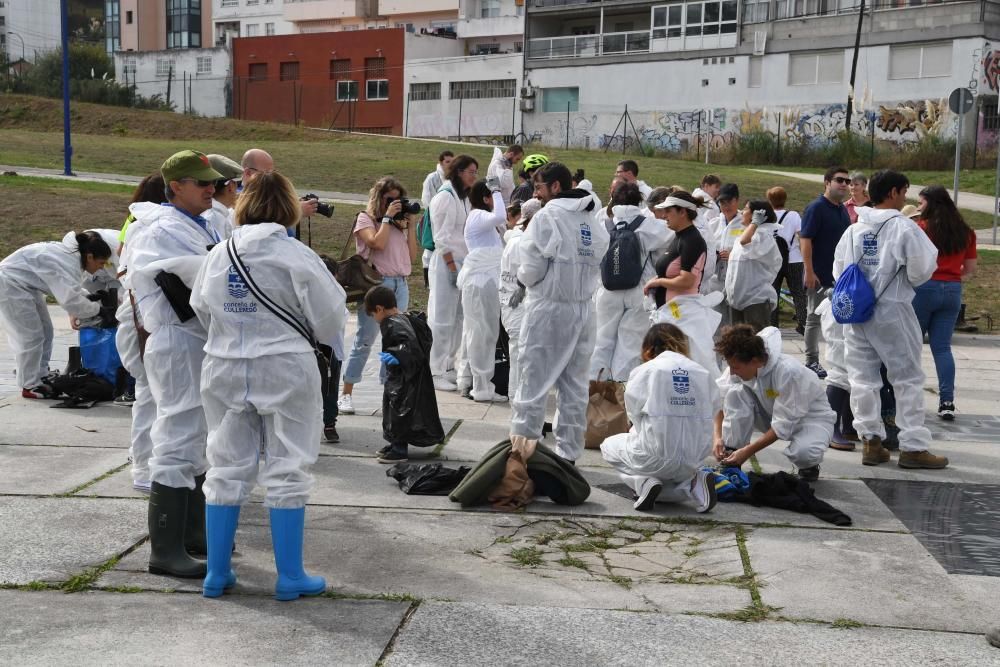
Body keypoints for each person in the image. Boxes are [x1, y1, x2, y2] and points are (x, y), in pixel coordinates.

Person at [191, 170, 346, 601]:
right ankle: (290, 576)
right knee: (288, 465)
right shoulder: (295, 255)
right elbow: (331, 315)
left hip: (223, 365)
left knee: (224, 465)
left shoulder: (219, 253)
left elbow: (200, 307)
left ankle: (217, 573)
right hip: (284, 365)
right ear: (290, 207)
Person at [126, 150, 225, 578]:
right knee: (177, 434)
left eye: (212, 182)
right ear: (176, 187)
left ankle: (191, 533)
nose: (211, 188)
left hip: (196, 341)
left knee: (197, 436)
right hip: (177, 340)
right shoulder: (162, 230)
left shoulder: (198, 223)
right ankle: (165, 548)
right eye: (200, 182)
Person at [833, 169, 947, 469]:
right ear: (894, 192)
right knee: (907, 377)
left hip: (857, 312)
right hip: (893, 309)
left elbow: (839, 271)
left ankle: (871, 441)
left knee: (861, 378)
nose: (906, 197)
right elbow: (922, 270)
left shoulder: (855, 228)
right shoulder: (904, 228)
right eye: (905, 191)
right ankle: (913, 446)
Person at [511, 162, 610, 462]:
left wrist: (525, 281)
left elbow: (530, 268)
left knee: (533, 381)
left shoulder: (548, 218)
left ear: (555, 187)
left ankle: (522, 453)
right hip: (583, 310)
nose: (536, 194)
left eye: (539, 187)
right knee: (574, 386)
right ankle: (568, 455)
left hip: (549, 308)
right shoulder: (592, 219)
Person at [600, 323, 719, 512]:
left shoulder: (647, 370)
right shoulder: (702, 373)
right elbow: (713, 409)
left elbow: (634, 415)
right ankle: (694, 484)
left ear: (648, 349)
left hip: (654, 455)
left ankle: (643, 483)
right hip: (694, 458)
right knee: (673, 477)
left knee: (608, 445)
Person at [336, 177, 417, 415]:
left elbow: (411, 256)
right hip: (377, 284)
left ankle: (389, 392)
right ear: (379, 198)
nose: (394, 203)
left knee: (394, 343)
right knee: (364, 340)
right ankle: (346, 394)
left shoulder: (399, 224)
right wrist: (387, 219)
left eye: (397, 199)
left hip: (400, 283)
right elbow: (377, 244)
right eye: (389, 199)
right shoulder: (366, 219)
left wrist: (410, 225)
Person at [0, 232, 114, 398]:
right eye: (101, 262)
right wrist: (98, 310)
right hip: (10, 285)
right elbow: (70, 300)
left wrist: (90, 297)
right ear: (89, 257)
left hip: (23, 285)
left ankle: (40, 374)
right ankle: (29, 385)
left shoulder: (70, 258)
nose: (101, 267)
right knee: (31, 336)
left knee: (46, 331)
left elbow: (69, 289)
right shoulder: (67, 262)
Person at [713, 325, 833, 481]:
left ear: (755, 361)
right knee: (735, 392)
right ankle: (730, 454)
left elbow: (783, 424)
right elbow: (720, 399)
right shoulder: (739, 364)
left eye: (735, 368)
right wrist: (717, 438)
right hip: (770, 412)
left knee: (804, 453)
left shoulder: (789, 372)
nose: (732, 372)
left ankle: (809, 466)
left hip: (810, 419)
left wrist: (747, 452)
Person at [114, 174, 169, 493]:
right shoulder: (148, 225)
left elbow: (121, 259)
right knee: (149, 394)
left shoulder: (133, 221)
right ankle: (143, 464)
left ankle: (142, 456)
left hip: (138, 315)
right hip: (143, 319)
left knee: (149, 394)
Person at [590, 181, 673, 381]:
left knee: (601, 341)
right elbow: (668, 246)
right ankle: (623, 391)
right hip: (639, 290)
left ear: (613, 200)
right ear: (639, 200)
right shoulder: (651, 225)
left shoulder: (602, 224)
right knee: (630, 344)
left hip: (607, 289)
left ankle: (595, 388)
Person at [911, 185, 977, 421]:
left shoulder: (922, 228)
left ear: (931, 202)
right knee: (942, 348)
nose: (918, 207)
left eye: (921, 202)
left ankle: (909, 399)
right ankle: (947, 401)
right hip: (952, 290)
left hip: (924, 288)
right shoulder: (966, 232)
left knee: (912, 345)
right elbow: (969, 269)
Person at [364, 286, 445, 464]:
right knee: (399, 409)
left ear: (379, 309)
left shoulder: (392, 323)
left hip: (402, 378)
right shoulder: (407, 319)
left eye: (373, 315)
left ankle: (399, 449)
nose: (375, 320)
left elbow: (409, 347)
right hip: (412, 376)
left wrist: (396, 357)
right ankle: (395, 443)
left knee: (398, 410)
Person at [647, 191, 720, 380]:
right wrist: (657, 279)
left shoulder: (693, 240)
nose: (664, 216)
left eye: (668, 211)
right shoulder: (678, 237)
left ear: (683, 212)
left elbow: (687, 280)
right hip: (670, 313)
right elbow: (670, 270)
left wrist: (658, 281)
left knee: (693, 368)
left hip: (685, 316)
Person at [428, 155, 478, 391]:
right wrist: (451, 267)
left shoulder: (464, 198)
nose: (474, 176)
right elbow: (441, 237)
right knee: (442, 318)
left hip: (463, 263)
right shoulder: (445, 197)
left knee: (458, 318)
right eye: (470, 171)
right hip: (447, 263)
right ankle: (434, 368)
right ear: (458, 172)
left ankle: (448, 364)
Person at [457, 179, 509, 402]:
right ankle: (480, 386)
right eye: (493, 196)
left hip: (485, 280)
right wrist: (497, 190)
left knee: (482, 332)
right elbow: (500, 216)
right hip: (480, 281)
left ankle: (473, 381)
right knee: (481, 334)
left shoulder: (482, 220)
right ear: (486, 198)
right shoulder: (478, 215)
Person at [800, 166, 851, 379]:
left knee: (839, 321)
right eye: (840, 180)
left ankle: (839, 362)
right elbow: (805, 240)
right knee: (813, 318)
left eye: (847, 181)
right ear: (827, 182)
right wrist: (809, 272)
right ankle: (811, 361)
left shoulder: (842, 209)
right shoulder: (816, 208)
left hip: (840, 277)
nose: (844, 185)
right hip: (819, 275)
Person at [499, 198, 542, 397]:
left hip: (516, 306)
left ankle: (522, 402)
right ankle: (518, 402)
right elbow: (527, 276)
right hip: (516, 307)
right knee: (519, 355)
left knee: (523, 355)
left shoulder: (520, 241)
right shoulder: (520, 244)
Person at [725, 201, 782, 331]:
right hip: (738, 299)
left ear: (755, 215)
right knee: (737, 343)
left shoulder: (763, 235)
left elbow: (745, 242)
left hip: (756, 300)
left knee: (755, 343)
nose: (740, 212)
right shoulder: (747, 234)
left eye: (745, 209)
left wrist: (754, 223)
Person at [766, 186, 806, 333]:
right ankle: (803, 323)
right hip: (794, 259)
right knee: (798, 292)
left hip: (773, 261)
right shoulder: (794, 215)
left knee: (772, 293)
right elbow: (801, 235)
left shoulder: (767, 216)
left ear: (769, 200)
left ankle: (772, 325)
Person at [241, 148, 319, 219]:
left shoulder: (266, 191)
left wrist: (294, 202)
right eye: (266, 173)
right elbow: (257, 217)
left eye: (273, 172)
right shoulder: (237, 197)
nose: (272, 177)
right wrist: (296, 210)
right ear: (248, 173)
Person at [708, 183, 743, 327]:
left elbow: (753, 253)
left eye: (729, 202)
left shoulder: (745, 225)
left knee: (736, 326)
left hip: (737, 283)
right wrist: (715, 256)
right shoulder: (714, 224)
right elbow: (706, 250)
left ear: (737, 200)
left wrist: (733, 256)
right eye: (722, 202)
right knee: (715, 324)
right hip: (715, 283)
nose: (726, 206)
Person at [421, 151, 455, 286]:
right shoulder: (432, 178)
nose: (450, 164)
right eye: (447, 162)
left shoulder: (453, 178)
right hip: (433, 217)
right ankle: (427, 279)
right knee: (430, 247)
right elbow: (426, 198)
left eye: (452, 162)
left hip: (448, 217)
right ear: (441, 162)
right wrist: (435, 212)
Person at [205, 153, 243, 235]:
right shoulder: (216, 218)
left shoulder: (212, 213)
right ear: (231, 186)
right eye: (237, 183)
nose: (237, 190)